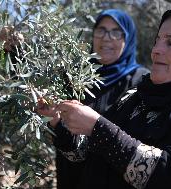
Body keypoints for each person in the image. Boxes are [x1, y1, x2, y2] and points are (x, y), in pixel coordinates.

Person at [42, 9, 171, 189]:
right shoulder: (137, 94)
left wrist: (98, 128)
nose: (156, 50)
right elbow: (88, 154)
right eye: (157, 40)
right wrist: (59, 123)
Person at [38, 9, 149, 189]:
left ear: (127, 38)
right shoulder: (74, 77)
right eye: (101, 30)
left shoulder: (143, 82)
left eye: (116, 32)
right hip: (71, 179)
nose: (106, 38)